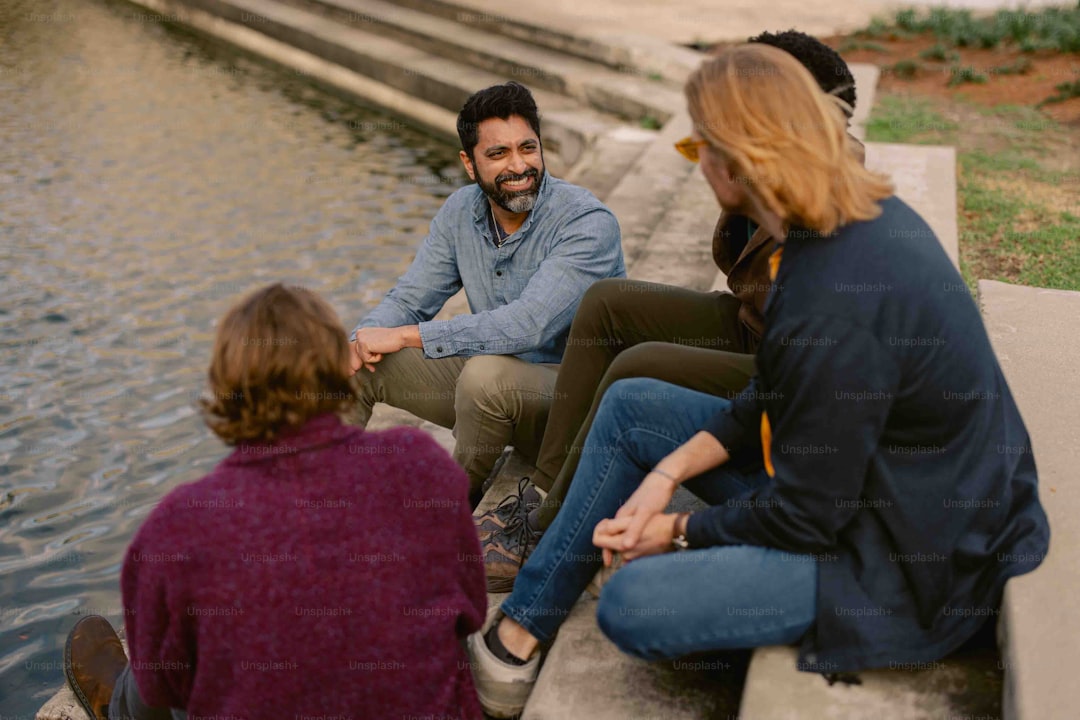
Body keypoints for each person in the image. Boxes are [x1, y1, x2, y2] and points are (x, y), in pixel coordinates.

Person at [465, 44, 1050, 718]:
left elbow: (808, 514)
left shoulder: (833, 297)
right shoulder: (827, 225)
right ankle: (525, 621)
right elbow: (768, 394)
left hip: (908, 563)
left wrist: (679, 531)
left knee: (633, 603)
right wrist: (663, 474)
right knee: (632, 406)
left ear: (739, 162)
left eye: (701, 145)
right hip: (876, 495)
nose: (698, 161)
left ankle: (539, 626)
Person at [477, 30, 863, 592]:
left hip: (783, 366)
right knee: (609, 304)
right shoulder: (761, 156)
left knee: (639, 365)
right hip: (750, 322)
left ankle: (552, 523)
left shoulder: (825, 189)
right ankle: (544, 487)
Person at [63, 284, 487, 720]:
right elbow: (471, 610)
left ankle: (113, 708)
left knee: (163, 664)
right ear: (338, 371)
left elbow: (164, 687)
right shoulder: (421, 467)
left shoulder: (176, 527)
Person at [348, 82, 624, 506]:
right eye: (498, 154)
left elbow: (529, 325)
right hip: (489, 391)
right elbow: (409, 299)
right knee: (354, 363)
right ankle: (314, 503)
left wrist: (407, 336)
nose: (519, 166)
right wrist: (362, 337)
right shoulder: (460, 211)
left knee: (484, 378)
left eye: (528, 148)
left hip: (568, 403)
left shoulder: (586, 222)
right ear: (469, 164)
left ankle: (453, 504)